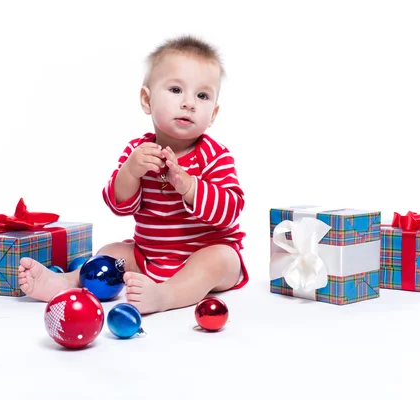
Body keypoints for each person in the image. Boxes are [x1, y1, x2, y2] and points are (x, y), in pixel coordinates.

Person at [18, 35, 248, 315]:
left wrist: (190, 187)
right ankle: (67, 281)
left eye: (202, 96)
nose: (189, 103)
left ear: (213, 114)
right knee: (113, 251)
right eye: (176, 89)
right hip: (149, 256)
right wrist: (131, 172)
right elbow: (118, 204)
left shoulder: (214, 155)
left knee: (221, 259)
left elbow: (231, 209)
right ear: (146, 100)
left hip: (205, 254)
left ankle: (165, 296)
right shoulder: (138, 151)